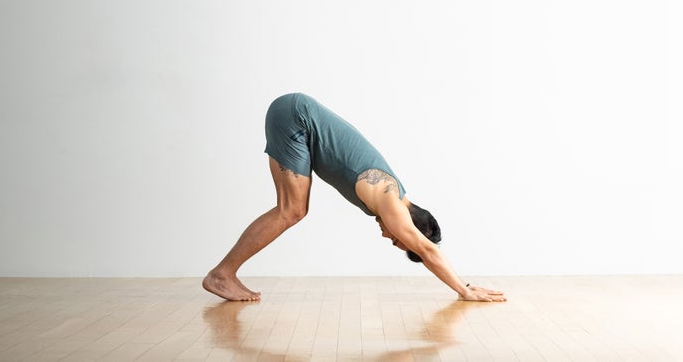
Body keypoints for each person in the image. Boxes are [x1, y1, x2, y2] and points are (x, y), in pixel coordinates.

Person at [203, 93, 505, 302]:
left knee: (294, 209)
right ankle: (222, 274)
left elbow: (422, 246)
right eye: (397, 239)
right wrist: (464, 289)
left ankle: (224, 272)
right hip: (296, 117)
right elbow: (427, 250)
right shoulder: (390, 198)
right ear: (411, 223)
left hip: (296, 115)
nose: (388, 236)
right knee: (292, 210)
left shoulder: (388, 193)